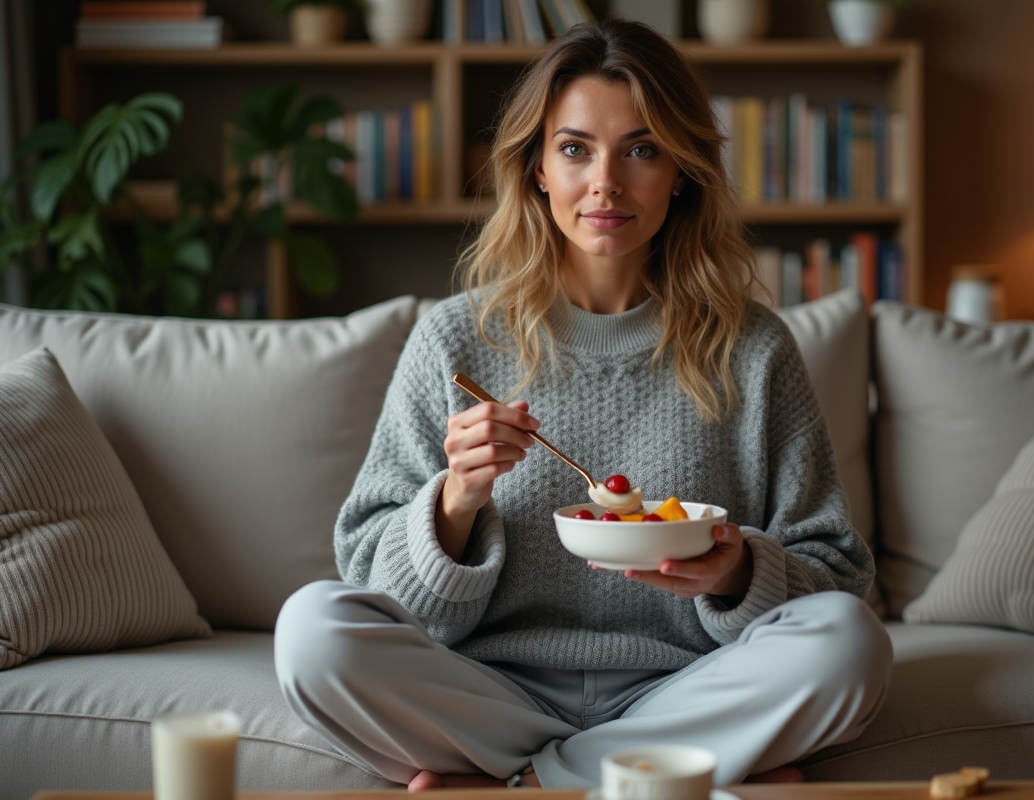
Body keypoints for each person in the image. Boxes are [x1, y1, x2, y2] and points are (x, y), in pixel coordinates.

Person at [274, 18, 892, 791]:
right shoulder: (454, 339)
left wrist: (738, 572)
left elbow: (837, 570)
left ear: (682, 171)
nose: (605, 181)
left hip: (683, 688)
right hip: (491, 690)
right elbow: (367, 573)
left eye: (641, 149)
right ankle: (640, 775)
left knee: (848, 642)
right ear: (536, 168)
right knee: (311, 631)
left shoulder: (754, 346)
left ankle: (530, 784)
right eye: (574, 149)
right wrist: (455, 502)